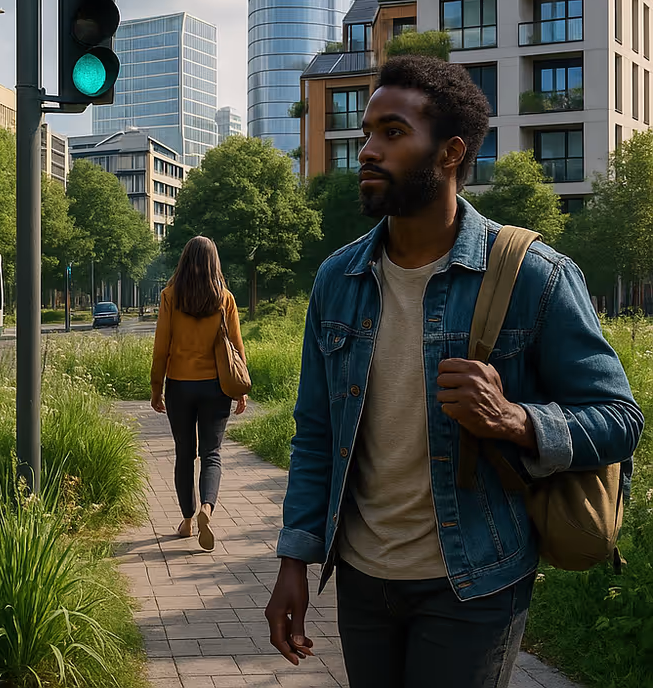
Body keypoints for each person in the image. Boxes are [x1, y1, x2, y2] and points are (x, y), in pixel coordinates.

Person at [264, 54, 643, 688]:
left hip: (475, 579)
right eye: (366, 133)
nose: (366, 150)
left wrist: (516, 419)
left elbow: (620, 419)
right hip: (361, 578)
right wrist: (294, 561)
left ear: (450, 154)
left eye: (392, 132)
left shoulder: (534, 275)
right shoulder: (338, 280)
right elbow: (315, 437)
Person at [151, 235, 248, 551]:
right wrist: (241, 391)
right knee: (212, 454)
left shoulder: (170, 296)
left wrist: (156, 387)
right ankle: (207, 507)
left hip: (179, 386)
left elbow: (161, 347)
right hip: (217, 386)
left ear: (184, 261)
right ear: (213, 263)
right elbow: (235, 345)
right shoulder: (225, 299)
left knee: (184, 453)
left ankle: (188, 521)